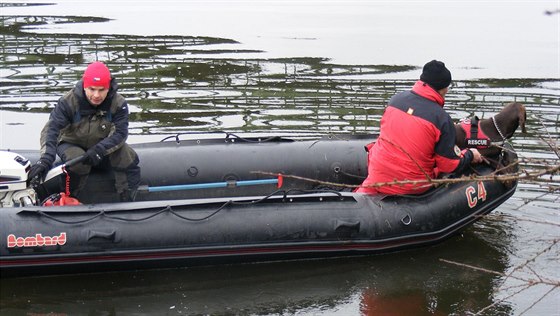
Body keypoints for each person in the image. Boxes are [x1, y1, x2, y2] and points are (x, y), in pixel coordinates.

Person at [356, 60, 482, 195]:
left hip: (377, 176)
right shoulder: (442, 119)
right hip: (410, 185)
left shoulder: (395, 100)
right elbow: (448, 165)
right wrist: (469, 155)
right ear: (444, 88)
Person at [28, 61, 141, 202]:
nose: (96, 95)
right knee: (78, 161)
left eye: (101, 90)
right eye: (92, 89)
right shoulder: (68, 102)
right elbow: (52, 130)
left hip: (102, 146)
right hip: (71, 143)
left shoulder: (118, 104)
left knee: (127, 155)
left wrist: (100, 149)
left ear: (108, 87)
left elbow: (120, 133)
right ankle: (69, 199)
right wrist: (46, 159)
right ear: (85, 85)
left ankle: (127, 199)